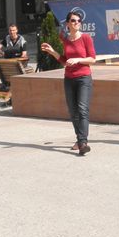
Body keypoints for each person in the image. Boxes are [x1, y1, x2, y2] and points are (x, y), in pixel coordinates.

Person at [41, 11, 97, 156]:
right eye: (73, 20)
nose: (77, 23)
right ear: (67, 24)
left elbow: (92, 59)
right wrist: (52, 51)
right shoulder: (65, 40)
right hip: (69, 78)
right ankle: (79, 140)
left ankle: (83, 143)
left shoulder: (86, 38)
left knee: (82, 109)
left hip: (84, 77)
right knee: (73, 112)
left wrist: (78, 59)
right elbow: (64, 60)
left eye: (79, 21)